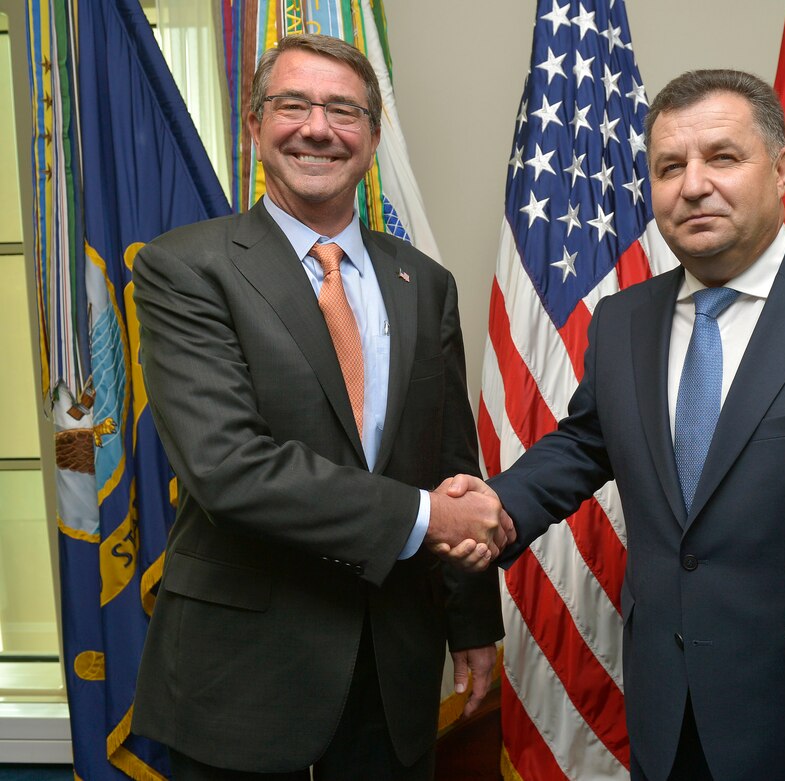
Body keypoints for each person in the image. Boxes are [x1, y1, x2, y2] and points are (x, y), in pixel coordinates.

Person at [448, 69, 785, 780]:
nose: (692, 185)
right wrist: (501, 505)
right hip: (665, 711)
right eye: (670, 166)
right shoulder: (623, 320)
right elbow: (588, 440)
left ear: (783, 167)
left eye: (722, 158)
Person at [131, 33, 511, 781]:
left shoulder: (423, 282)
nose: (317, 127)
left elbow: (450, 461)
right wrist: (430, 517)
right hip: (242, 675)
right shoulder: (185, 269)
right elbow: (228, 468)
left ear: (372, 137)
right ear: (254, 125)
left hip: (393, 663)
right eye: (293, 105)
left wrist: (471, 623)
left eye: (343, 110)